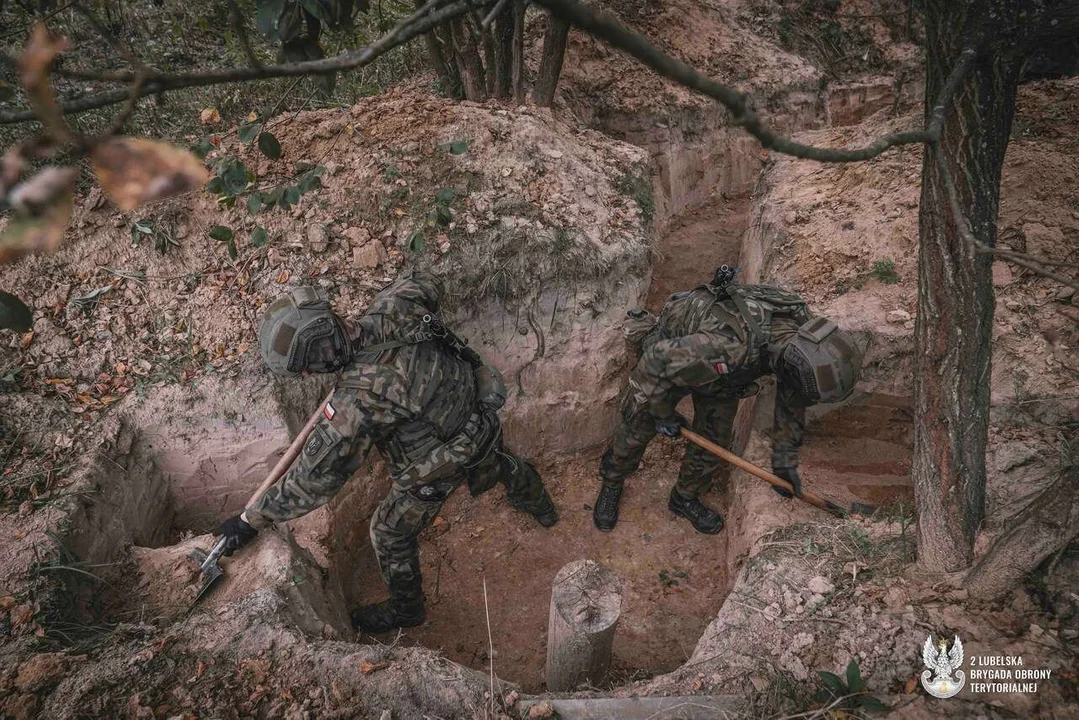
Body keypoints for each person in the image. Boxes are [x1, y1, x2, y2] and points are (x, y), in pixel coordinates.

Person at [212, 272, 558, 633]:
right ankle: (541, 506)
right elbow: (430, 282)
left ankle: (407, 613)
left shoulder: (357, 403)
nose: (308, 374)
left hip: (438, 466)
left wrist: (250, 520)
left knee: (389, 532)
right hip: (480, 412)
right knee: (502, 461)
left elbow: (314, 480)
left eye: (307, 368)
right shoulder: (395, 304)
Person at [594, 265, 862, 534]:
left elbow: (790, 403)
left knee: (713, 438)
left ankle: (684, 497)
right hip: (673, 356)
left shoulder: (801, 338)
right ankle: (613, 481)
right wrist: (663, 414)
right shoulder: (730, 347)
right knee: (638, 425)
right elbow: (656, 362)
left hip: (726, 375)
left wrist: (783, 464)